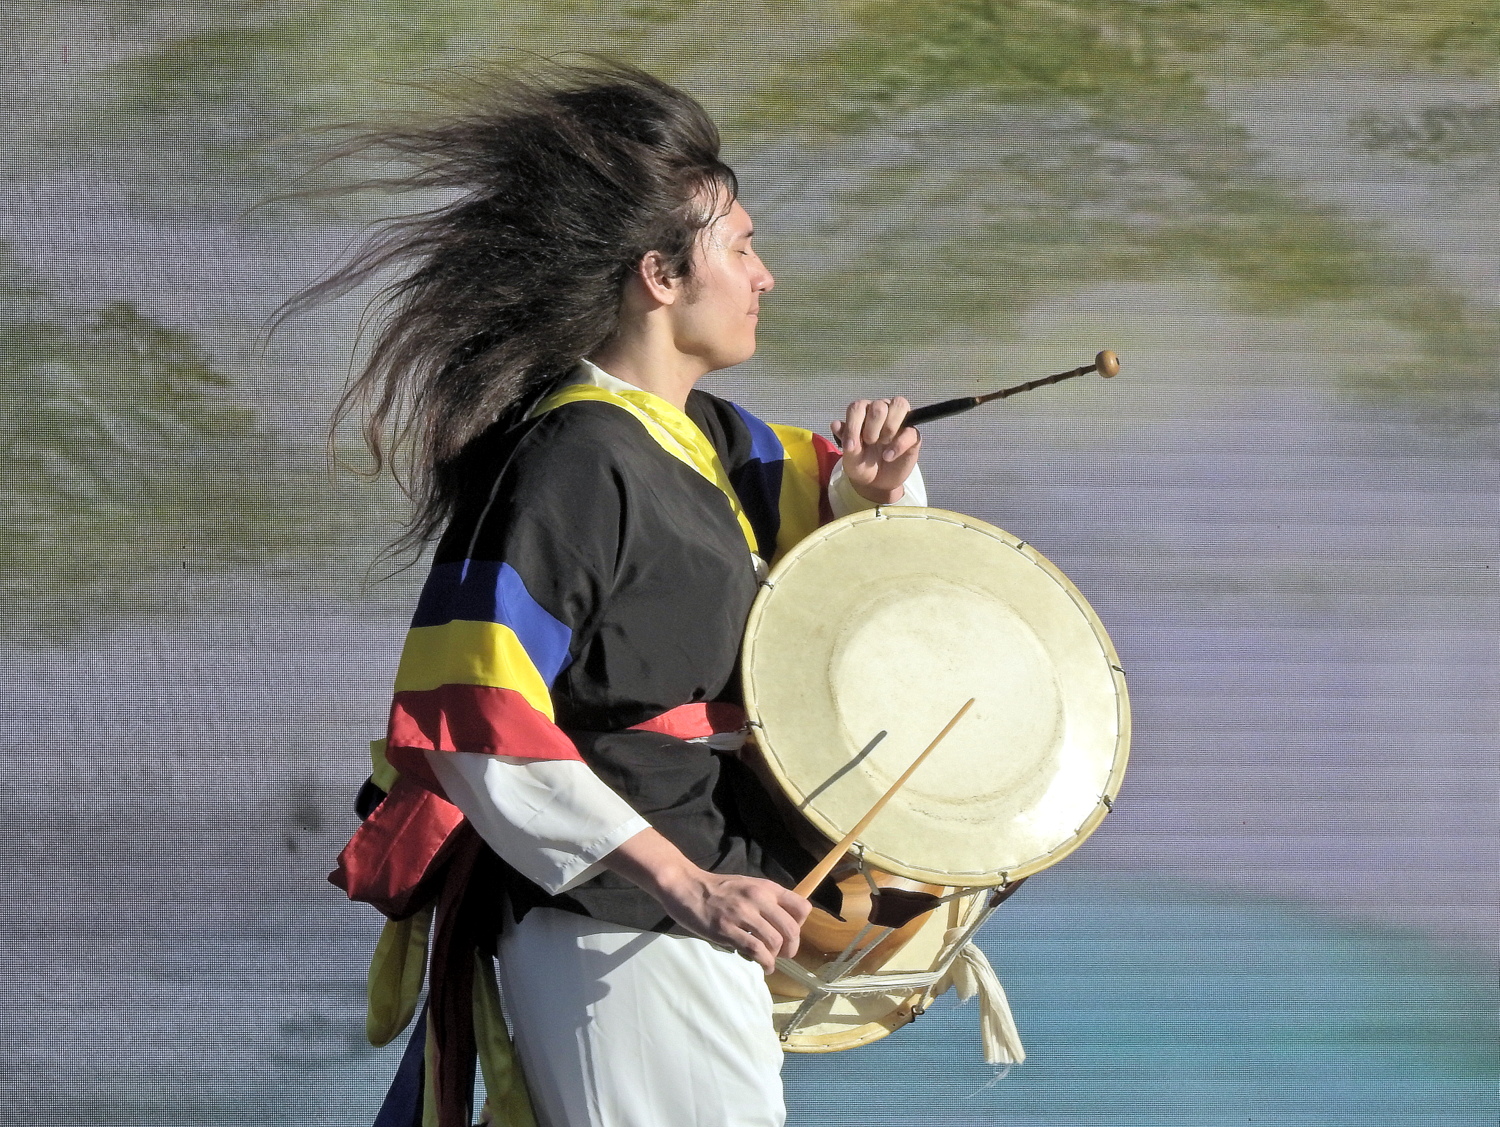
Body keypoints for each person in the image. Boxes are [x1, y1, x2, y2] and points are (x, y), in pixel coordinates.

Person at [313, 61, 927, 1127]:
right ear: (660, 276)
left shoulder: (708, 441)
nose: (765, 275)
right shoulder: (573, 458)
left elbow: (837, 579)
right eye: (741, 247)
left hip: (687, 898)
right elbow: (477, 722)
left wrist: (865, 492)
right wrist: (684, 881)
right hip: (618, 918)